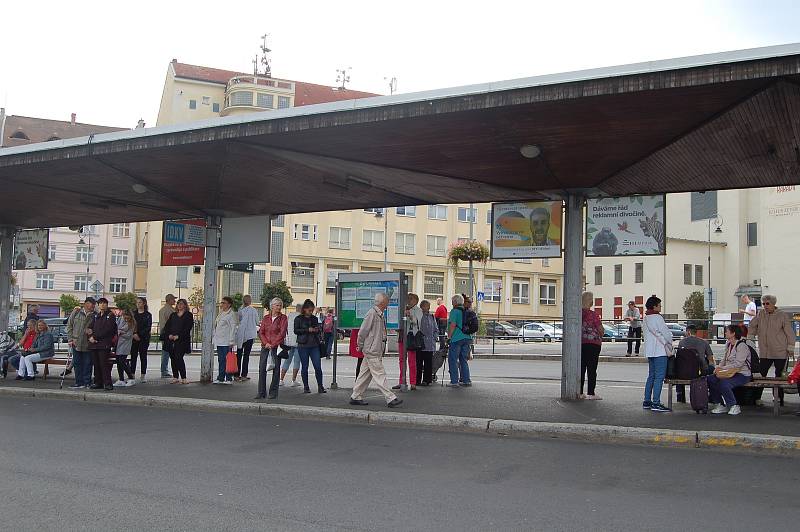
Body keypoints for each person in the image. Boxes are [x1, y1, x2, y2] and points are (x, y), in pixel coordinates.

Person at [349, 292, 403, 408]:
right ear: (383, 302)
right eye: (387, 301)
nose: (388, 304)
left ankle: (355, 396)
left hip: (373, 349)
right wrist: (360, 344)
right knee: (379, 374)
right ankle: (390, 398)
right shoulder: (372, 314)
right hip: (372, 350)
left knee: (364, 374)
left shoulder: (379, 314)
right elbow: (362, 332)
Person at [747, 294, 793, 405]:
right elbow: (752, 325)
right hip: (765, 351)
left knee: (779, 376)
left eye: (767, 303)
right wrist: (750, 338)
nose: (765, 306)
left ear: (773, 304)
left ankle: (778, 398)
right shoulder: (761, 314)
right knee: (761, 375)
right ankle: (756, 398)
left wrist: (790, 347)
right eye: (763, 304)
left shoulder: (782, 315)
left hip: (780, 351)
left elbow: (789, 333)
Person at [708, 324, 753, 415]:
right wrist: (718, 368)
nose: (725, 333)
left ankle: (733, 405)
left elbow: (738, 364)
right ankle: (719, 403)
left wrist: (722, 368)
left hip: (742, 374)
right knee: (711, 379)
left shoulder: (742, 346)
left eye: (727, 331)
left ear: (733, 333)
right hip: (729, 372)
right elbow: (724, 359)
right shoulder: (728, 344)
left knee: (724, 383)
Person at [642, 295, 673, 412]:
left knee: (651, 376)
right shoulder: (658, 318)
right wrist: (670, 343)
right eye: (659, 305)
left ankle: (647, 401)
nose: (660, 307)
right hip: (660, 350)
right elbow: (666, 333)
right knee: (659, 377)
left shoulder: (646, 318)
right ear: (654, 306)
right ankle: (656, 402)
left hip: (650, 351)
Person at [255, 298, 288, 400]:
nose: (279, 307)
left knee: (276, 369)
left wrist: (273, 344)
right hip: (265, 347)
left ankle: (273, 392)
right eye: (277, 305)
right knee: (262, 369)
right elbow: (261, 332)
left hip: (276, 347)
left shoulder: (283, 318)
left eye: (280, 305)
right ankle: (261, 392)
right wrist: (266, 343)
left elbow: (282, 333)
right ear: (272, 306)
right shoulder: (266, 318)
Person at [675, 324, 715, 403]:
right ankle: (711, 396)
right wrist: (712, 367)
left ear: (688, 332)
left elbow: (679, 357)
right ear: (696, 332)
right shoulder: (704, 342)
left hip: (685, 371)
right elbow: (710, 358)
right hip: (700, 372)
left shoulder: (682, 342)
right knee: (712, 371)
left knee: (678, 372)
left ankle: (680, 397)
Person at [294, 299, 327, 394]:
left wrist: (317, 329)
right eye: (309, 310)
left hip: (314, 345)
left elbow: (318, 329)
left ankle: (320, 386)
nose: (311, 312)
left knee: (318, 366)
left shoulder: (314, 318)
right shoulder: (298, 318)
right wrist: (307, 330)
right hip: (303, 345)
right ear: (304, 309)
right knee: (305, 366)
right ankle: (306, 386)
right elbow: (296, 331)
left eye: (312, 310)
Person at [87, 298, 118, 391]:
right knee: (96, 364)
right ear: (98, 305)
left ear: (107, 305)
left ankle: (108, 383)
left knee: (104, 365)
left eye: (104, 303)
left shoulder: (110, 315)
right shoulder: (96, 315)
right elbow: (90, 328)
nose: (102, 305)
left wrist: (95, 337)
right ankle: (98, 382)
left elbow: (108, 330)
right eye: (100, 303)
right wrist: (90, 336)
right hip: (94, 344)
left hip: (104, 344)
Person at [162, 299, 193, 384]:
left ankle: (184, 377)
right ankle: (175, 376)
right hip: (172, 340)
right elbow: (167, 326)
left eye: (181, 304)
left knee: (179, 357)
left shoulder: (188, 315)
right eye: (178, 303)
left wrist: (178, 336)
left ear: (185, 305)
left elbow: (188, 327)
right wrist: (169, 335)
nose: (179, 305)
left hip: (182, 340)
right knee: (173, 358)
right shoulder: (173, 315)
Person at [66, 297, 95, 389]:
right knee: (77, 363)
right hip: (76, 341)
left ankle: (87, 382)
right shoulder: (76, 312)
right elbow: (69, 326)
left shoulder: (94, 315)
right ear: (86, 304)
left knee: (88, 363)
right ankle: (79, 382)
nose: (93, 306)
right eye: (91, 304)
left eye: (94, 305)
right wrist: (70, 339)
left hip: (87, 343)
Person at [395, 293, 421, 391]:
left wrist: (410, 316)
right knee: (401, 360)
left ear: (416, 301)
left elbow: (418, 322)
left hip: (411, 337)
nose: (409, 300)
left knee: (412, 360)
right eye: (408, 298)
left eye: (411, 299)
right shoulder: (403, 309)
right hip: (402, 336)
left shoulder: (418, 310)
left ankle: (413, 382)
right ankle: (401, 381)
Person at [580, 291, 603, 400]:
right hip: (593, 344)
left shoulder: (578, 313)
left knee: (581, 368)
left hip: (581, 344)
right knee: (592, 369)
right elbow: (601, 329)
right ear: (590, 301)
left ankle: (579, 392)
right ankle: (591, 393)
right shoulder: (593, 314)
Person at [446, 294, 472, 388]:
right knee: (463, 360)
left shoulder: (455, 311)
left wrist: (449, 337)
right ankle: (466, 380)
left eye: (452, 301)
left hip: (456, 338)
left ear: (455, 302)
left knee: (453, 360)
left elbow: (453, 325)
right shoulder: (467, 311)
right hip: (467, 338)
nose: (452, 303)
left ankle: (454, 381)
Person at [212, 296, 238, 385]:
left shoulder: (231, 314)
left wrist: (231, 341)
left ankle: (229, 378)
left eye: (224, 303)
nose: (222, 304)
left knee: (228, 360)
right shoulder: (221, 313)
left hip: (227, 341)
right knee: (221, 360)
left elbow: (233, 328)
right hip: (219, 340)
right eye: (221, 302)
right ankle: (221, 377)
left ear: (229, 304)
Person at [236, 295, 259, 381]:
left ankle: (236, 374)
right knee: (246, 355)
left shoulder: (240, 310)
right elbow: (257, 321)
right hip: (250, 335)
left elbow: (238, 320)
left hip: (241, 335)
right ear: (250, 301)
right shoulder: (253, 310)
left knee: (239, 355)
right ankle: (244, 375)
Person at [280, 303, 303, 387]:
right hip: (298, 342)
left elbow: (285, 328)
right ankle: (293, 380)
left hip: (289, 342)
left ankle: (281, 379)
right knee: (297, 361)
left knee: (287, 360)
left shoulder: (290, 315)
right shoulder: (302, 317)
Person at [113, 309, 137, 387]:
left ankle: (131, 377)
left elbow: (129, 335)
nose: (126, 318)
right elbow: (116, 328)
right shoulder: (121, 319)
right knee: (118, 362)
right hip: (118, 343)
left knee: (122, 361)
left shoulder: (132, 323)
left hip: (125, 344)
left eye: (128, 316)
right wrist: (120, 332)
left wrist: (121, 333)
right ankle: (121, 379)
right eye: (125, 316)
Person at [131, 297, 152, 383]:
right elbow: (130, 324)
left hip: (144, 338)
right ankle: (132, 374)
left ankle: (143, 375)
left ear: (144, 303)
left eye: (140, 302)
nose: (138, 304)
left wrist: (139, 334)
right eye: (137, 302)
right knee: (133, 356)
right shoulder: (133, 314)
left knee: (143, 357)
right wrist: (134, 334)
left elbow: (148, 327)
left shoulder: (148, 315)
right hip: (134, 338)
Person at [417, 299, 438, 386]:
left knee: (428, 363)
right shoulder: (418, 316)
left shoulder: (432, 316)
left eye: (428, 306)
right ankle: (417, 380)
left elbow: (436, 329)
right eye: (426, 306)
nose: (428, 308)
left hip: (430, 344)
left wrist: (434, 337)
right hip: (420, 344)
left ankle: (427, 380)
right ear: (422, 307)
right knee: (419, 363)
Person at [158, 294, 176, 378]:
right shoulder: (166, 310)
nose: (175, 301)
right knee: (166, 353)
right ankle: (164, 371)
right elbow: (164, 324)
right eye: (173, 299)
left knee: (167, 352)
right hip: (167, 335)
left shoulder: (168, 309)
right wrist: (166, 334)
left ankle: (165, 370)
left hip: (168, 334)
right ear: (169, 300)